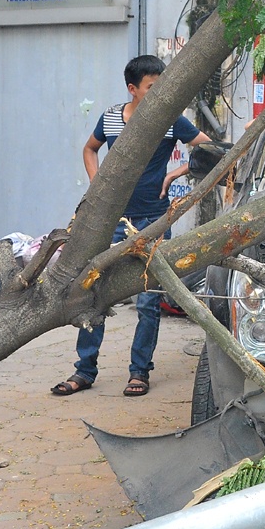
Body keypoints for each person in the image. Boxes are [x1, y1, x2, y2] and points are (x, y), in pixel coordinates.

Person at [52, 55, 210, 398]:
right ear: (132, 89)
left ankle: (139, 372)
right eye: (152, 87)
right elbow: (90, 149)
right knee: (92, 290)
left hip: (152, 219)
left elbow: (208, 148)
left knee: (147, 300)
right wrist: (98, 186)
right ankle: (84, 370)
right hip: (108, 219)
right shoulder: (110, 117)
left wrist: (175, 173)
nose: (158, 93)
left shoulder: (170, 120)